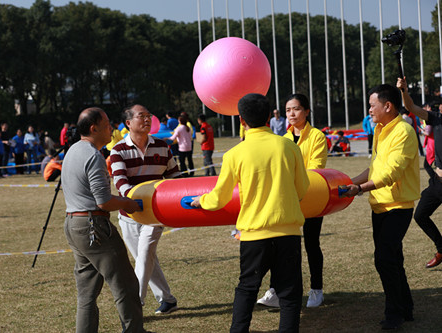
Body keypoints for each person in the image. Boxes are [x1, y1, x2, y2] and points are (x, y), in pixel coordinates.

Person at [191, 93, 309, 333]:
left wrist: (199, 201)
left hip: (254, 235)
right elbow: (303, 188)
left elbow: (219, 198)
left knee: (247, 288)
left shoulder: (235, 154)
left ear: (241, 120)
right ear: (269, 117)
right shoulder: (288, 146)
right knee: (289, 292)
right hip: (287, 232)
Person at [61, 107, 147, 333]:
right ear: (94, 128)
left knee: (86, 294)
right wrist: (129, 203)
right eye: (107, 123)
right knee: (126, 285)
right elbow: (103, 202)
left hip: (73, 224)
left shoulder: (72, 151)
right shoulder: (92, 155)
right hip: (93, 226)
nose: (112, 128)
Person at [343, 83, 419, 330]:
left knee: (385, 259)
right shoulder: (379, 129)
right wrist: (348, 183)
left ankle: (394, 313)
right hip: (380, 206)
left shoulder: (404, 132)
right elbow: (375, 168)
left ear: (388, 105)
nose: (369, 110)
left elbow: (392, 172)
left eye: (371, 105)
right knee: (393, 259)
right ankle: (406, 308)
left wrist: (360, 189)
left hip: (398, 205)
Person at [258, 93, 328, 309]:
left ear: (307, 111)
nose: (291, 114)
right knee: (281, 246)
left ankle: (316, 290)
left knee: (311, 244)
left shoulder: (317, 136)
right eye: (288, 110)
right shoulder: (283, 139)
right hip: (288, 200)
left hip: (312, 198)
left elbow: (315, 168)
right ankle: (276, 291)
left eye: (296, 109)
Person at [110, 104, 181, 315]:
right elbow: (121, 184)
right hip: (129, 215)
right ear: (129, 123)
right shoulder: (118, 150)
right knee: (146, 258)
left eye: (149, 116)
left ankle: (134, 307)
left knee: (145, 254)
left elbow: (174, 177)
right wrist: (137, 202)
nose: (148, 119)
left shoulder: (162, 146)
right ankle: (167, 299)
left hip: (156, 214)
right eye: (142, 116)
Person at [398, 77, 442, 268]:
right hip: (438, 182)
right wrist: (404, 91)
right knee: (421, 215)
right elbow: (412, 107)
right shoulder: (437, 119)